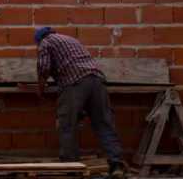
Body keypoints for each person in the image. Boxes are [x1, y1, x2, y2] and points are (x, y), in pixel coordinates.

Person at [35, 27, 126, 179]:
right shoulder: (71, 39)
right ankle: (117, 165)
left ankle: (71, 168)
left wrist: (40, 87)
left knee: (67, 124)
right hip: (97, 81)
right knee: (104, 123)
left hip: (74, 82)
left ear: (39, 39)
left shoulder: (46, 42)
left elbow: (44, 67)